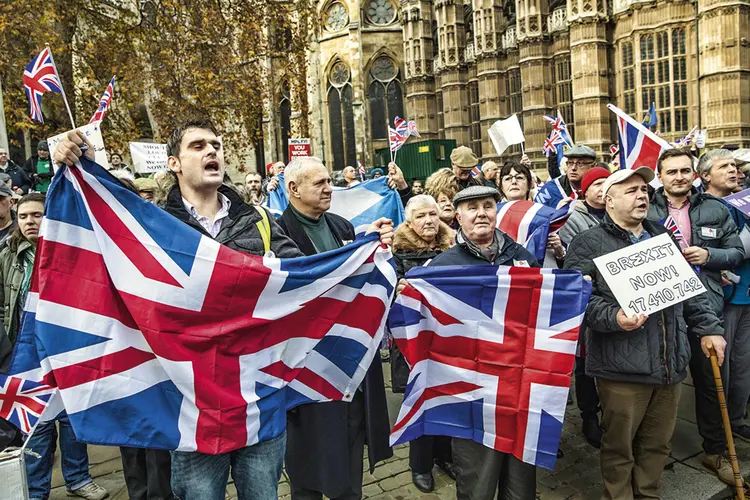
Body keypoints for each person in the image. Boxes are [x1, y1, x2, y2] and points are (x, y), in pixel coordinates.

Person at [53, 119, 302, 500]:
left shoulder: (261, 221)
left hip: (258, 397)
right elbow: (98, 246)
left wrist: (371, 253)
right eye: (198, 146)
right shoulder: (155, 226)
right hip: (192, 405)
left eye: (216, 145)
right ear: (174, 163)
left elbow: (307, 281)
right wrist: (72, 164)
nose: (212, 151)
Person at [564, 167, 726, 499]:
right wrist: (613, 317)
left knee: (657, 443)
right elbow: (575, 301)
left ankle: (648, 494)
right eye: (631, 191)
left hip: (670, 361)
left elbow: (689, 291)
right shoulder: (588, 243)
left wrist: (709, 328)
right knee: (619, 446)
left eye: (643, 190)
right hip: (621, 367)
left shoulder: (660, 236)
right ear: (608, 201)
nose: (641, 196)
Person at [405, 185, 538, 499]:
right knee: (477, 482)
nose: (481, 213)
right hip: (471, 394)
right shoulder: (442, 267)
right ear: (457, 216)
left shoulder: (522, 256)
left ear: (497, 211)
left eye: (488, 205)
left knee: (521, 485)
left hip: (519, 389)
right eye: (472, 207)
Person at [276, 156, 393, 500]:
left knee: (350, 432)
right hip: (306, 363)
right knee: (309, 447)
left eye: (329, 181)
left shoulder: (342, 226)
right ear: (294, 189)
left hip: (349, 358)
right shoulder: (279, 233)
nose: (330, 188)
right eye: (321, 183)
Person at [0, 193, 109, 500]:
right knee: (35, 422)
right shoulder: (7, 254)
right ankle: (36, 490)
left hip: (66, 347)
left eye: (36, 215)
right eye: (23, 217)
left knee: (72, 418)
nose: (30, 222)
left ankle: (77, 477)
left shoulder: (70, 250)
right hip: (24, 352)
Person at [648, 148, 744, 485]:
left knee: (709, 382)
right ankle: (653, 459)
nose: (679, 177)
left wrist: (709, 254)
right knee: (658, 386)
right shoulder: (646, 207)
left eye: (684, 171)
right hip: (662, 311)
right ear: (660, 176)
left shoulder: (716, 208)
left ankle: (715, 451)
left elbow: (736, 252)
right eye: (671, 171)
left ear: (694, 174)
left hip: (706, 307)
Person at [389, 195, 456, 493]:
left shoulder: (454, 247)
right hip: (413, 343)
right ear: (408, 221)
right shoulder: (395, 253)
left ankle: (445, 456)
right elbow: (386, 295)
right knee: (419, 402)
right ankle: (420, 465)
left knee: (446, 400)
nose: (429, 220)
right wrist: (398, 290)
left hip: (447, 340)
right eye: (421, 216)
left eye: (433, 214)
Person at [556, 166, 610, 448]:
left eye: (606, 183)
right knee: (585, 362)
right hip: (588, 298)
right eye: (596, 184)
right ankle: (589, 415)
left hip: (616, 301)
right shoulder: (573, 218)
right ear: (585, 190)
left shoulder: (618, 214)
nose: (602, 189)